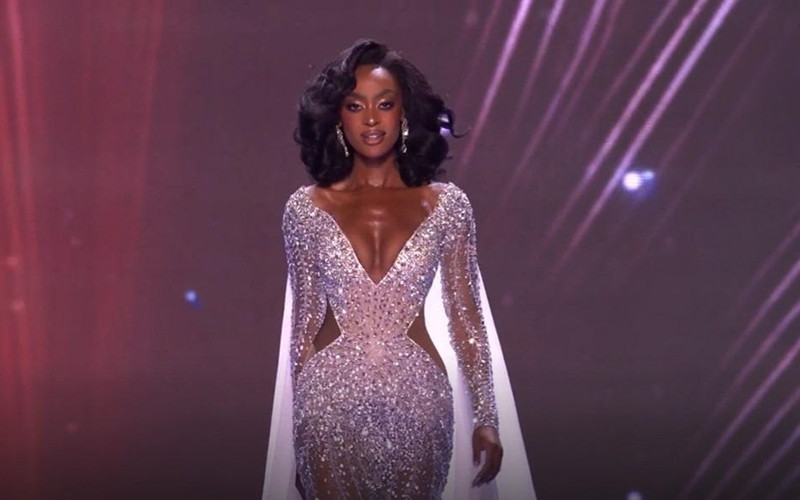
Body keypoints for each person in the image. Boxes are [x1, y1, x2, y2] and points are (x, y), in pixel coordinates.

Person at [263, 40, 536, 499]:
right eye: (355, 106)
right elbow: (304, 327)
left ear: (404, 113)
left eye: (385, 104)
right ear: (338, 117)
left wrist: (487, 418)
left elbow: (466, 317)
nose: (371, 119)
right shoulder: (306, 209)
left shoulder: (447, 206)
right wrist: (298, 434)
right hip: (328, 402)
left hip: (420, 401)